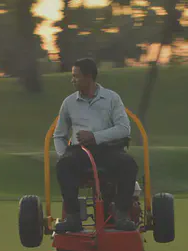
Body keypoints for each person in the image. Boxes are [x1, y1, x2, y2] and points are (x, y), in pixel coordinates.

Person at [52, 58, 139, 233]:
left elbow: (123, 129)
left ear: (88, 77)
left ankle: (121, 214)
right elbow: (59, 135)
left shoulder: (112, 98)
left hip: (108, 150)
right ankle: (73, 217)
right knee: (63, 165)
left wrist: (95, 137)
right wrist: (63, 154)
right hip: (80, 152)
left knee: (129, 164)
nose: (72, 80)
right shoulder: (69, 103)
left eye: (76, 76)